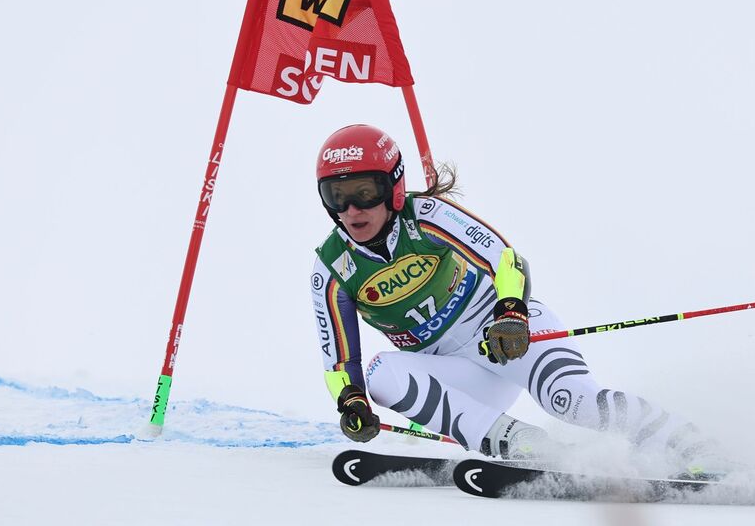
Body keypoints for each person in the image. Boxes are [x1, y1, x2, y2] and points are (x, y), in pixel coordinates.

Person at [311, 124, 726, 475]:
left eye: (365, 192)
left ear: (393, 188)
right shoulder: (332, 268)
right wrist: (351, 400)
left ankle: (692, 445)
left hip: (506, 340)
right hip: (459, 376)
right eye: (336, 196)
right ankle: (521, 443)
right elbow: (339, 362)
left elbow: (506, 260)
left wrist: (511, 312)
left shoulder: (427, 216)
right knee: (381, 374)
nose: (351, 209)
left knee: (571, 400)